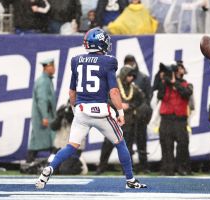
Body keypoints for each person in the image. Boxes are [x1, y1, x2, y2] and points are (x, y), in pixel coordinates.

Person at [35, 27, 147, 189]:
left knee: (71, 146)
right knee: (120, 143)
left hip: (81, 110)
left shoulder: (76, 60)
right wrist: (120, 112)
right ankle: (130, 180)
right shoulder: (109, 61)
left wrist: (75, 111)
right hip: (101, 111)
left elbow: (72, 92)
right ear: (100, 43)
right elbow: (114, 91)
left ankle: (49, 168)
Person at [95, 65, 145, 175]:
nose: (131, 78)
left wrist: (131, 106)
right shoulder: (113, 85)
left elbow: (141, 98)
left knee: (128, 147)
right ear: (123, 75)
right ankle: (101, 167)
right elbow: (104, 98)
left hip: (128, 122)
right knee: (107, 146)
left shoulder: (133, 88)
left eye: (132, 76)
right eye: (129, 75)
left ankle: (126, 169)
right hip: (113, 120)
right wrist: (118, 104)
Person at [157, 61, 193, 176]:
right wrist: (163, 80)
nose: (177, 71)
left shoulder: (187, 84)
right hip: (166, 119)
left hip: (180, 119)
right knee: (166, 144)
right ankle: (167, 168)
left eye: (180, 69)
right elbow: (159, 95)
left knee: (182, 144)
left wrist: (174, 83)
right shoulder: (164, 84)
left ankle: (182, 168)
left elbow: (186, 93)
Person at [123, 55, 152, 173]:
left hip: (140, 115)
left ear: (134, 63)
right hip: (128, 115)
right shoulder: (122, 78)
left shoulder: (143, 78)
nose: (130, 66)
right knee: (127, 142)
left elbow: (148, 96)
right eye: (127, 63)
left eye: (131, 63)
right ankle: (128, 167)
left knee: (141, 140)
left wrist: (141, 109)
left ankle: (143, 166)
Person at [27, 58, 57, 163]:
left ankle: (50, 162)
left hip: (47, 115)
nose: (54, 68)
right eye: (52, 66)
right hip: (44, 116)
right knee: (49, 140)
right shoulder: (44, 81)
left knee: (48, 141)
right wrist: (44, 116)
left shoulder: (46, 80)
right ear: (46, 67)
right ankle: (31, 161)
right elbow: (42, 100)